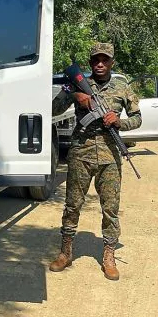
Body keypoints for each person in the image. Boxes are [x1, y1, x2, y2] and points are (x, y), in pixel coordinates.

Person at [49, 42, 142, 280]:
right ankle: (66, 252)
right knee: (72, 205)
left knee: (110, 209)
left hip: (110, 157)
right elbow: (53, 109)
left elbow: (137, 118)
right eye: (96, 60)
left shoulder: (122, 87)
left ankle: (109, 256)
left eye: (105, 60)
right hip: (80, 154)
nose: (100, 64)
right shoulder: (78, 84)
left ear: (112, 62)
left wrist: (119, 122)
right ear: (90, 62)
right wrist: (75, 95)